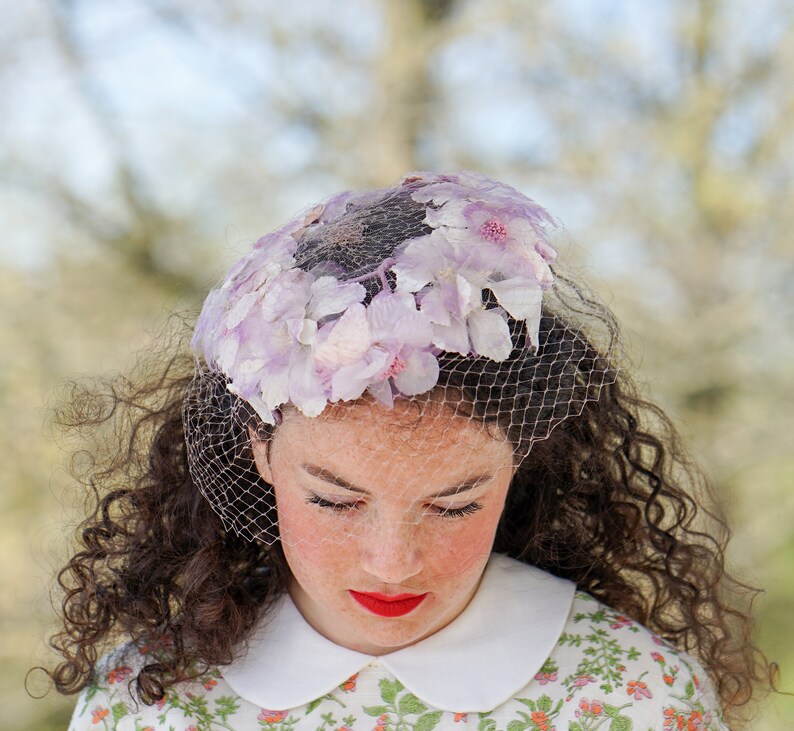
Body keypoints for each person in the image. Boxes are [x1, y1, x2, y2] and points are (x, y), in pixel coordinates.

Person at [44, 171, 769, 730]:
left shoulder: (635, 698)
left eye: (455, 503)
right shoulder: (146, 704)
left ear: (521, 458)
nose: (392, 562)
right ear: (257, 447)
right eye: (333, 498)